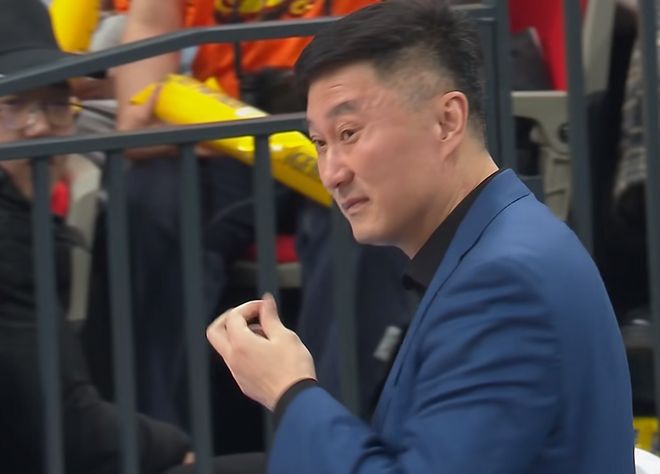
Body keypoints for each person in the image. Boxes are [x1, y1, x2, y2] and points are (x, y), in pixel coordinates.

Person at [206, 1, 635, 473]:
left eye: (349, 133)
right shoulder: (500, 244)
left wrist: (289, 390)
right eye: (320, 143)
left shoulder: (503, 281)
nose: (331, 173)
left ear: (447, 121)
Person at [110, 0, 413, 432]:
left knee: (371, 207)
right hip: (224, 140)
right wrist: (220, 127)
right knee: (147, 198)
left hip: (346, 133)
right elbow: (135, 124)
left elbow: (406, 72)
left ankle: (329, 432)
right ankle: (161, 441)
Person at [0, 0, 197, 472]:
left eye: (55, 104)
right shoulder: (9, 240)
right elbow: (71, 431)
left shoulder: (28, 225)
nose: (40, 128)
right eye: (13, 104)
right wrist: (175, 446)